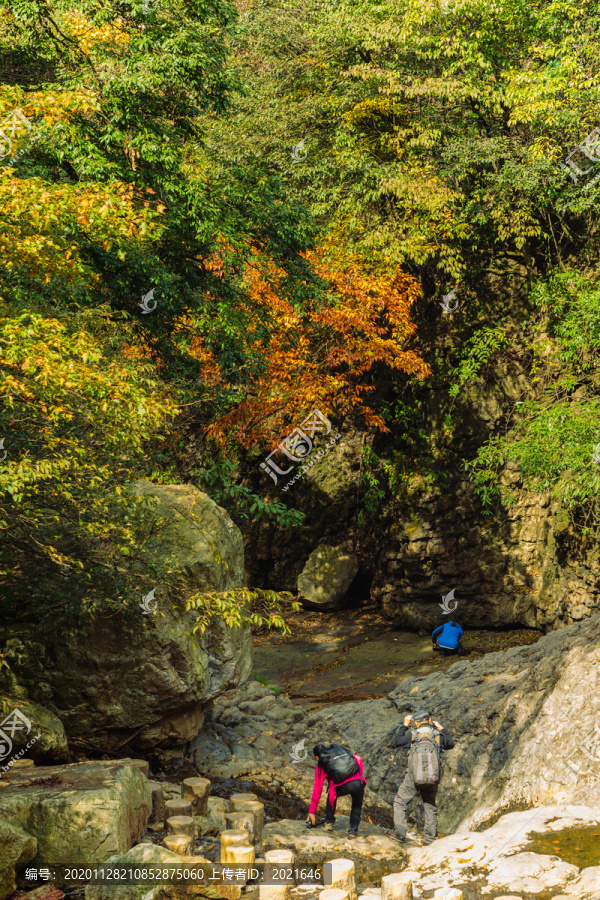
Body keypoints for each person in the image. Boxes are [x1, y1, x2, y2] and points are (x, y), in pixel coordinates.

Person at [386, 710, 454, 846]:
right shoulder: (437, 736)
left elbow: (396, 742)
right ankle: (430, 841)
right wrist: (442, 729)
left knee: (400, 802)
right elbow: (451, 744)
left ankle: (399, 833)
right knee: (429, 806)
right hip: (432, 777)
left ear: (416, 723)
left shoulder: (413, 734)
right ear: (429, 720)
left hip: (413, 778)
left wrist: (405, 725)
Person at [306, 742, 367, 837]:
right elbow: (358, 758)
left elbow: (317, 789)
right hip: (358, 783)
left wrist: (312, 812)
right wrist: (360, 778)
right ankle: (353, 833)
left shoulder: (322, 764)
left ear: (317, 757)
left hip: (344, 786)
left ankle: (329, 822)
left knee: (332, 795)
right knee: (356, 806)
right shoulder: (339, 752)